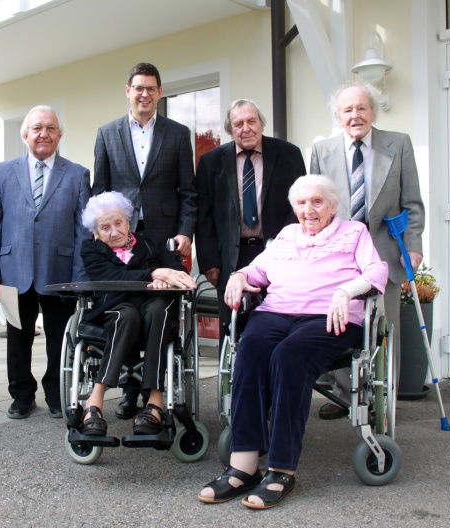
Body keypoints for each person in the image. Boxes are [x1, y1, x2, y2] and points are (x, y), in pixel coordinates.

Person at [197, 175, 388, 509]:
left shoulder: (354, 232)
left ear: (332, 205)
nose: (308, 209)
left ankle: (282, 469)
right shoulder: (287, 235)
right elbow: (256, 272)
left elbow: (376, 272)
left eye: (317, 202)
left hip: (330, 318)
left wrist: (346, 291)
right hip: (277, 312)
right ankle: (243, 466)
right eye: (301, 203)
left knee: (289, 356)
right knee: (251, 350)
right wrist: (238, 276)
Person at [310, 81, 425, 420]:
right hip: (339, 255)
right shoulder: (323, 151)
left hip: (385, 253)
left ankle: (383, 398)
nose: (355, 115)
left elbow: (412, 203)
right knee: (340, 325)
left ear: (373, 111)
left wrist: (413, 248)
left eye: (362, 108)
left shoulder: (398, 144)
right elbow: (314, 208)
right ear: (338, 115)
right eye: (348, 110)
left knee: (384, 328)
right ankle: (346, 397)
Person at [93, 62, 197, 419]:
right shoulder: (107, 134)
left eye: (151, 88)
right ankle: (129, 389)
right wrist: (103, 234)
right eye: (138, 87)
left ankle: (153, 389)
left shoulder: (178, 134)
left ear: (159, 93)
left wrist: (185, 231)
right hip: (120, 239)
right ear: (128, 91)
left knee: (156, 310)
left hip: (162, 241)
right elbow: (100, 191)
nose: (144, 94)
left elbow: (189, 192)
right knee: (126, 307)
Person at [0, 105, 91, 420]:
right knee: (18, 337)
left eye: (51, 128)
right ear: (25, 135)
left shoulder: (77, 174)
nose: (44, 133)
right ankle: (21, 395)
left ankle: (56, 393)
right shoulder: (3, 171)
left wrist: (79, 277)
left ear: (59, 135)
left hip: (60, 271)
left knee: (60, 337)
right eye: (37, 128)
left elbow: (84, 231)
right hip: (13, 270)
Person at [76, 191, 196, 437]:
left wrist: (168, 277)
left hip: (153, 308)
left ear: (128, 221)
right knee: (127, 314)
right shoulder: (91, 249)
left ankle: (155, 400)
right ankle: (95, 399)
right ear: (96, 232)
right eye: (105, 227)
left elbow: (173, 271)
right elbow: (110, 277)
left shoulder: (151, 240)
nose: (113, 232)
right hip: (115, 310)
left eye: (118, 223)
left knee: (159, 309)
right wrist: (153, 274)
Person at [195, 99, 305, 338]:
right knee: (233, 328)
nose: (246, 128)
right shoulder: (211, 162)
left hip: (277, 251)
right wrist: (209, 262)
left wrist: (284, 242)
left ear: (261, 124)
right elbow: (203, 215)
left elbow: (300, 206)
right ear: (230, 130)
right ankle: (237, 375)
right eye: (238, 124)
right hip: (231, 257)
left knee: (278, 323)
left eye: (251, 121)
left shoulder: (289, 154)